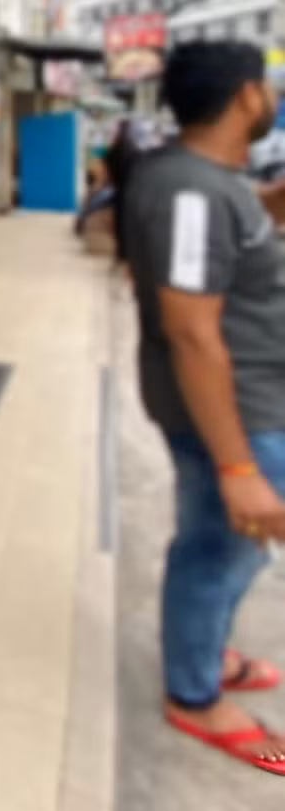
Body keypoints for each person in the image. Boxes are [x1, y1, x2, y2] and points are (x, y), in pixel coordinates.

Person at [122, 40, 285, 773]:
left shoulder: (209, 183)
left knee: (229, 547)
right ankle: (193, 692)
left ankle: (206, 650)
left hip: (244, 405)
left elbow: (230, 233)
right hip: (235, 414)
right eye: (267, 85)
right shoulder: (190, 191)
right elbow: (190, 331)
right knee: (219, 547)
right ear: (246, 95)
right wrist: (238, 466)